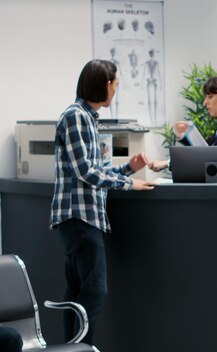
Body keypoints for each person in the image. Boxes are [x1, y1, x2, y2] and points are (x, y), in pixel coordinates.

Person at [49, 59, 155, 345]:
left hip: (81, 218)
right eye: (116, 85)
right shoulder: (76, 117)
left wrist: (129, 169)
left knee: (78, 293)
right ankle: (79, 349)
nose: (116, 91)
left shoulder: (87, 117)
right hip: (79, 219)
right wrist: (128, 183)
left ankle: (71, 349)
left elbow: (98, 169)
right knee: (94, 291)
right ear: (106, 85)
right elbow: (85, 171)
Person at [148, 74, 217, 172]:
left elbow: (208, 159)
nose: (205, 102)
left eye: (210, 96)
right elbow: (202, 150)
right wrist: (186, 135)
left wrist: (167, 163)